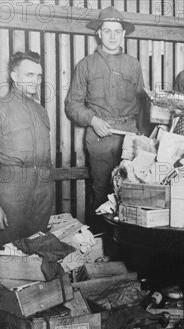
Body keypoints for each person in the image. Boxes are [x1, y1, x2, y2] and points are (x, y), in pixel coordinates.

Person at [65, 6, 145, 229]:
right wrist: (92, 120)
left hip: (129, 136)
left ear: (124, 34)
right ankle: (101, 248)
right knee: (101, 191)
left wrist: (141, 138)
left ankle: (125, 249)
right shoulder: (86, 65)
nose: (112, 36)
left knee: (130, 191)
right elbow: (72, 104)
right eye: (107, 30)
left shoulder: (133, 64)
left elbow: (142, 105)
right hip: (100, 137)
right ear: (99, 33)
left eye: (117, 31)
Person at [0, 51, 54, 250]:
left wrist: (48, 192)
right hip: (11, 193)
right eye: (29, 75)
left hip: (42, 191)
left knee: (38, 251)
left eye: (38, 76)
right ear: (14, 76)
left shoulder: (41, 112)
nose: (36, 81)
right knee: (9, 254)